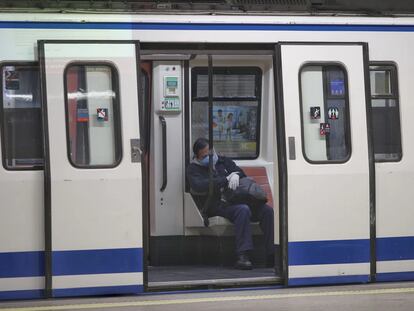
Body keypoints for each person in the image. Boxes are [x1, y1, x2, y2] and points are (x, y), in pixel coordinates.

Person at [187, 137, 274, 270]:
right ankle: (243, 256)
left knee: (267, 211)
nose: (210, 157)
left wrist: (236, 175)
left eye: (211, 153)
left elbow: (241, 173)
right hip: (218, 205)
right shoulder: (194, 169)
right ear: (198, 157)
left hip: (237, 199)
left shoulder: (223, 161)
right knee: (243, 210)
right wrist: (225, 179)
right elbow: (199, 185)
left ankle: (272, 253)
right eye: (205, 156)